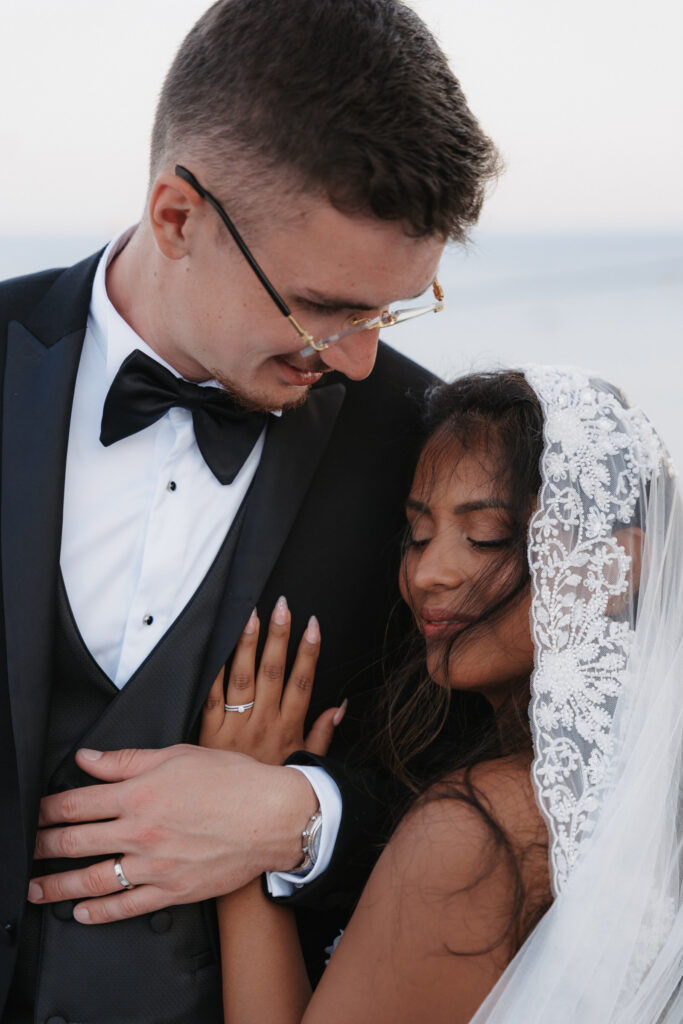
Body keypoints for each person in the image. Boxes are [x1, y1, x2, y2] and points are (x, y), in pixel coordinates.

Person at [0, 1, 502, 1020]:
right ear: (176, 216)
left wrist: (300, 815)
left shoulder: (419, 443)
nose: (358, 358)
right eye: (322, 308)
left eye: (390, 309)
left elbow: (491, 774)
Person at [201, 366, 683, 1023]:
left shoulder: (480, 832)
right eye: (418, 536)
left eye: (486, 537)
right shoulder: (644, 800)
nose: (429, 572)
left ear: (612, 570)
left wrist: (241, 825)